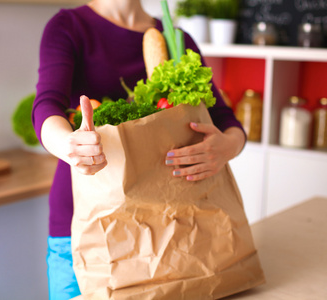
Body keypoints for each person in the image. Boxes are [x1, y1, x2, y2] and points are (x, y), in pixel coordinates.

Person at [32, 0, 246, 299]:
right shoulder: (69, 26)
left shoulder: (177, 39)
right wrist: (68, 146)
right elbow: (47, 103)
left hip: (171, 221)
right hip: (86, 222)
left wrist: (228, 147)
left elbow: (225, 120)